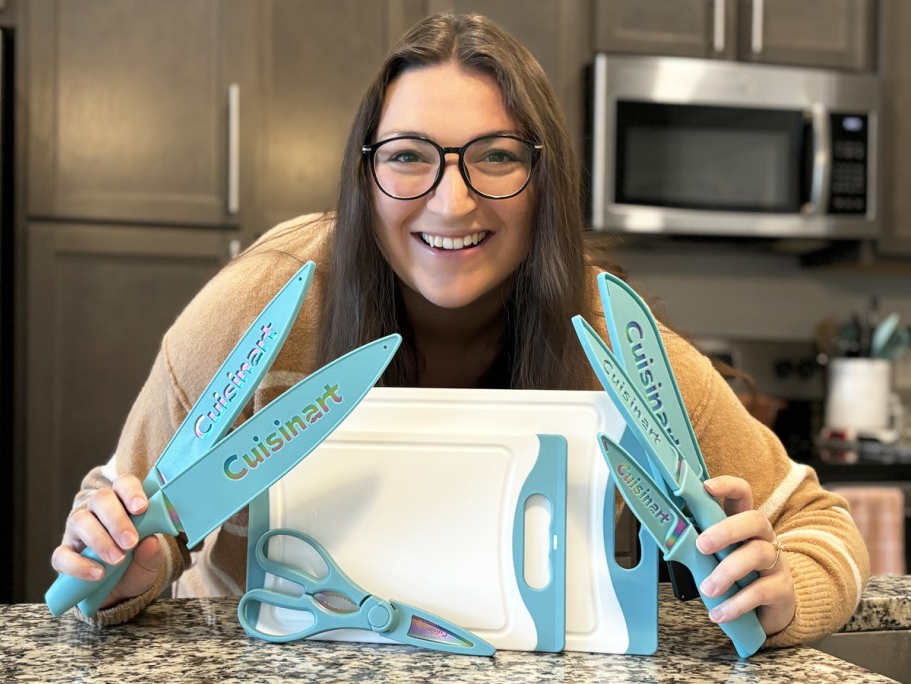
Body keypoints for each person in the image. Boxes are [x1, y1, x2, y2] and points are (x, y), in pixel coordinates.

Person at [52, 12, 869, 647]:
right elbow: (117, 515)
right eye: (409, 156)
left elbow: (821, 528)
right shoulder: (260, 308)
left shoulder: (611, 341)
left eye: (497, 156)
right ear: (364, 173)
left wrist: (783, 590)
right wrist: (128, 570)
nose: (452, 200)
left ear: (544, 180)